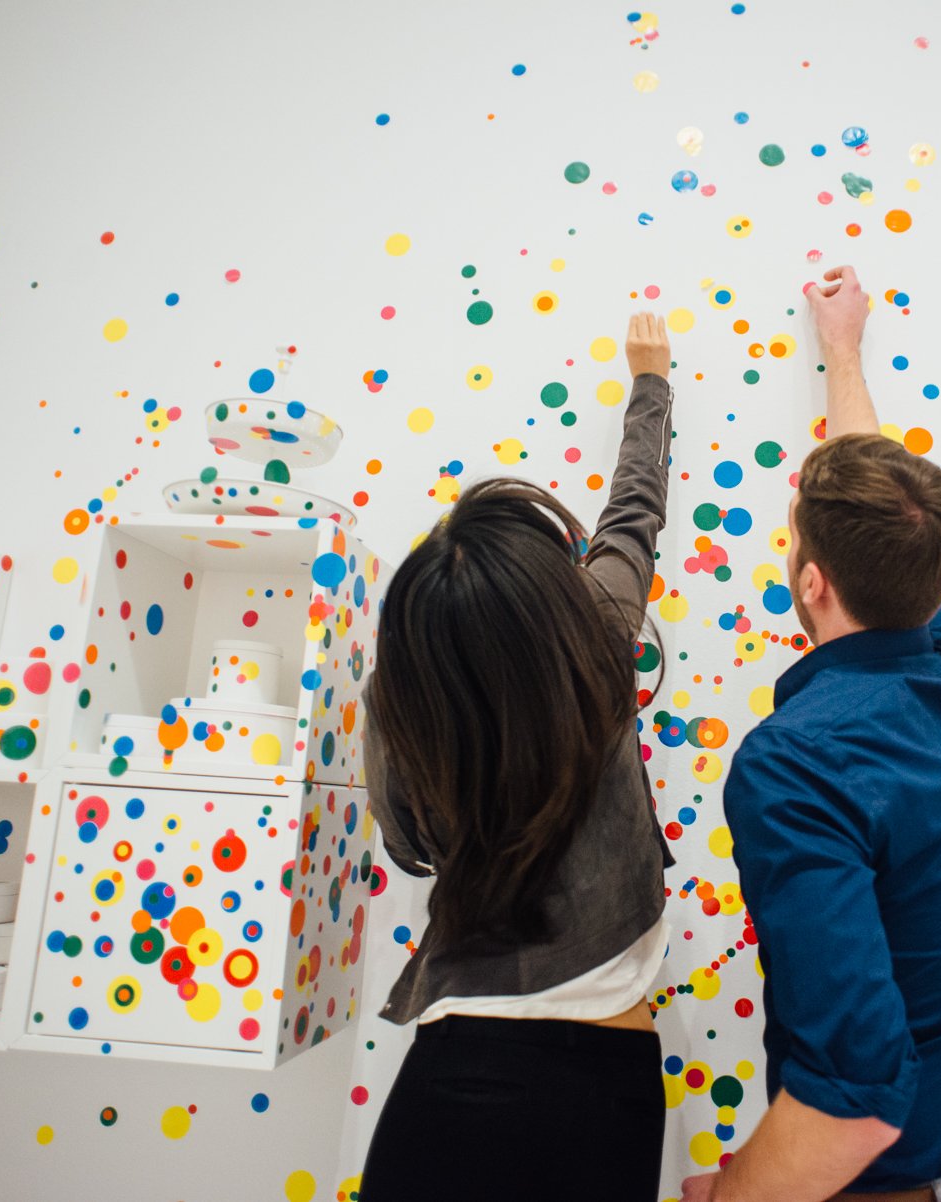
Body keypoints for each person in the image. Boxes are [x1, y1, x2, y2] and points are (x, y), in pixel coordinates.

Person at [683, 266, 941, 1202]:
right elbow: (886, 517)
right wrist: (842, 351)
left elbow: (857, 1090)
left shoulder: (797, 760)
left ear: (810, 584)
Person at [360, 314, 678, 1201]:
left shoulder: (397, 705)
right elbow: (633, 512)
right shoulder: (604, 631)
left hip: (454, 1064)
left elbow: (411, 848)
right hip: (602, 1080)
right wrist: (650, 383)